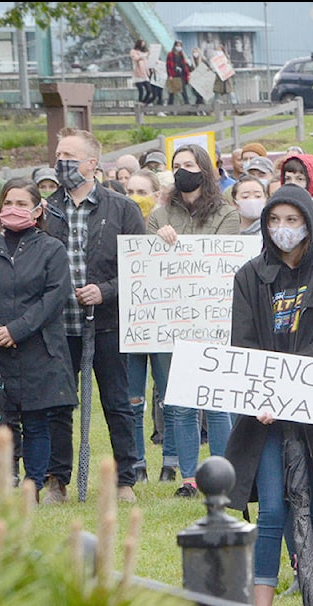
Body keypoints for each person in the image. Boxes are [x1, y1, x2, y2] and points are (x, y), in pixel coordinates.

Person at [224, 183, 313, 606]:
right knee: (271, 506)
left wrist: (293, 387)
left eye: (292, 220)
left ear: (309, 222)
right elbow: (243, 342)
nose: (283, 229)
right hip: (264, 411)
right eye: (274, 221)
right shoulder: (249, 275)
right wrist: (265, 392)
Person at [43, 127, 145, 505]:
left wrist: (106, 291)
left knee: (118, 403)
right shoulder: (48, 209)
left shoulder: (122, 209)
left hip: (107, 324)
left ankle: (124, 480)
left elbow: (140, 268)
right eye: (58, 154)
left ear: (91, 163)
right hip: (58, 325)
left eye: (68, 155)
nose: (60, 161)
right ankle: (57, 479)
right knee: (58, 403)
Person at [146, 143, 240, 497]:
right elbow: (146, 262)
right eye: (177, 165)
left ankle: (222, 474)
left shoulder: (226, 215)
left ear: (204, 169)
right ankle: (188, 478)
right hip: (172, 322)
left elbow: (221, 262)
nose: (183, 170)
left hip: (213, 320)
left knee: (216, 404)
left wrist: (180, 244)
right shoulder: (159, 216)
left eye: (190, 164)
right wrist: (157, 239)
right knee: (180, 403)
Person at [0, 178, 76, 499]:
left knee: (37, 422)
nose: (13, 210)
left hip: (39, 348)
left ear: (38, 210)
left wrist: (18, 330)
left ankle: (33, 485)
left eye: (22, 204)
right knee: (3, 424)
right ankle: (7, 481)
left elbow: (54, 297)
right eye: (8, 203)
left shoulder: (52, 249)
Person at [123, 168, 167, 483]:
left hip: (163, 323)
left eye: (142, 192)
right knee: (132, 398)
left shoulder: (166, 225)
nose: (135, 199)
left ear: (156, 195)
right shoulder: (117, 224)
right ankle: (137, 462)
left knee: (169, 396)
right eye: (130, 192)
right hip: (131, 323)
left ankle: (172, 462)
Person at [166, 40, 192, 106]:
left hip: (181, 75)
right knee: (172, 92)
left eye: (180, 46)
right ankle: (169, 107)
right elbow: (168, 66)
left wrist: (187, 74)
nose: (178, 47)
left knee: (184, 91)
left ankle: (187, 105)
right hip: (173, 75)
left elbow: (184, 66)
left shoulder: (181, 55)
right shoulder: (170, 54)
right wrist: (170, 75)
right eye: (177, 45)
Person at [130, 39, 152, 105]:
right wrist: (144, 55)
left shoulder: (144, 53)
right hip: (138, 73)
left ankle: (144, 103)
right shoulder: (133, 52)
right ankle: (140, 104)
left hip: (145, 73)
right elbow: (136, 58)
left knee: (149, 90)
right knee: (141, 90)